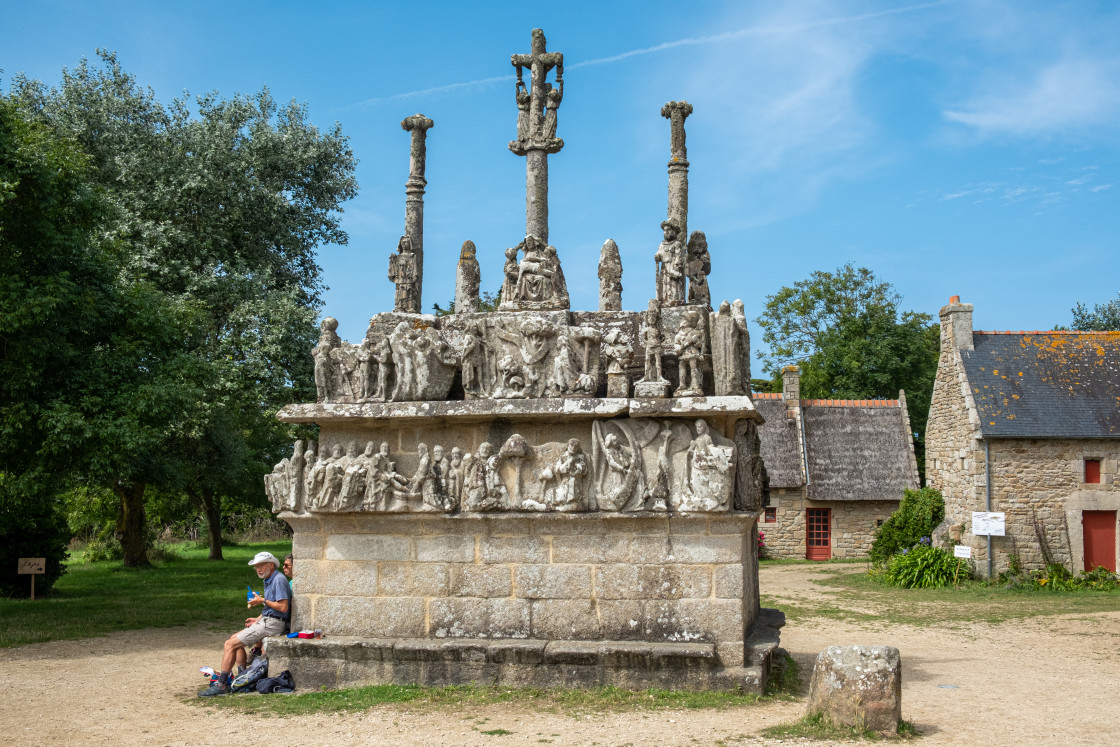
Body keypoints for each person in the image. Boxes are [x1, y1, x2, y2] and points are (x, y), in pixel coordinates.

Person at [198, 551, 291, 697]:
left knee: (230, 644)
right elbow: (271, 609)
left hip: (272, 624)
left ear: (271, 565)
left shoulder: (278, 580)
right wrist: (258, 618)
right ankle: (243, 678)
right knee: (233, 640)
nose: (258, 569)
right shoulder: (270, 579)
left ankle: (221, 685)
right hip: (268, 621)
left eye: (261, 565)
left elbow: (283, 607)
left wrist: (262, 601)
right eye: (256, 567)